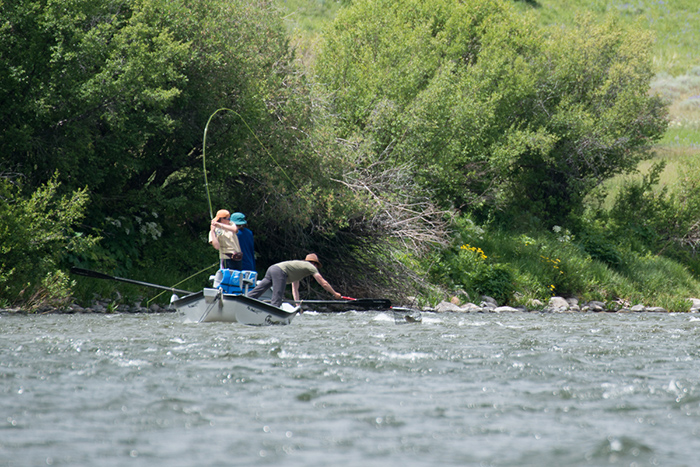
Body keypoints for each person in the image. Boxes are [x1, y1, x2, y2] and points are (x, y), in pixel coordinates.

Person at [247, 253, 342, 307]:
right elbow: (323, 283)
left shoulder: (298, 269)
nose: (316, 267)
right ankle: (274, 313)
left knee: (259, 290)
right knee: (277, 297)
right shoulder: (310, 266)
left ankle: (246, 300)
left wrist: (297, 306)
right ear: (314, 263)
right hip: (279, 272)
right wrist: (335, 293)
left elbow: (295, 289)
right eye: (316, 265)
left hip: (272, 268)